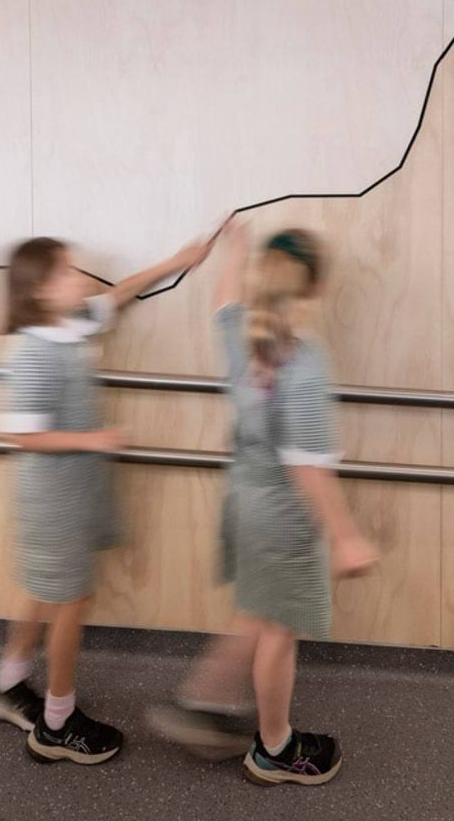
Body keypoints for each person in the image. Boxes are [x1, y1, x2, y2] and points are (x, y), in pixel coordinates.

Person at [149, 220, 378, 785]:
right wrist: (347, 536)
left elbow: (223, 302)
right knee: (278, 626)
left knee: (256, 612)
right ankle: (275, 748)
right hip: (283, 517)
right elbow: (306, 467)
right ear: (314, 290)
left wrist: (235, 252)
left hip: (244, 502)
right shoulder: (302, 364)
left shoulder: (242, 336)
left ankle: (203, 699)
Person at [0, 233, 212, 764]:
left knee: (46, 590)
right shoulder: (31, 350)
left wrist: (176, 260)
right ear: (38, 291)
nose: (81, 280)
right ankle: (56, 725)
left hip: (76, 493)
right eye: (67, 273)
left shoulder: (72, 323)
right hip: (52, 501)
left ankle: (6, 684)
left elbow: (118, 295)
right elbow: (17, 433)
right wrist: (94, 440)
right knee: (70, 603)